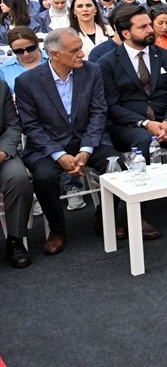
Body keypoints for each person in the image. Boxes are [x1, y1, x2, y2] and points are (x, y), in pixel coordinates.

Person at [15, 29, 134, 255]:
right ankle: (57, 229)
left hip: (88, 139)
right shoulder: (27, 81)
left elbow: (99, 112)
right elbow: (31, 126)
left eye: (81, 48)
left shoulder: (92, 71)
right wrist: (59, 155)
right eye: (75, 50)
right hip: (47, 146)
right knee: (45, 177)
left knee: (117, 164)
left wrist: (86, 149)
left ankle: (105, 218)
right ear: (55, 55)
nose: (82, 54)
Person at [97, 6, 167, 178]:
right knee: (144, 140)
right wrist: (146, 124)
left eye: (149, 24)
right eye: (143, 27)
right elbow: (112, 105)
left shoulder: (166, 56)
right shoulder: (107, 63)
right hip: (130, 124)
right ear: (126, 34)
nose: (150, 29)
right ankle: (141, 197)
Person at [0, 77, 34, 267]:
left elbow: (13, 125)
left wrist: (3, 152)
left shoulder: (1, 86)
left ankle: (15, 240)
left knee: (19, 178)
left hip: (1, 152)